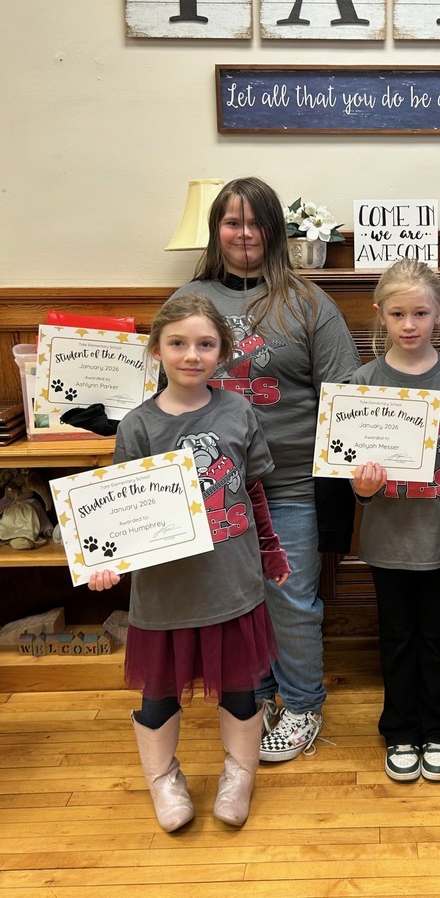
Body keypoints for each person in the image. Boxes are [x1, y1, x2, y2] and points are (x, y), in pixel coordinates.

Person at [168, 177, 360, 763]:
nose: (244, 234)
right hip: (216, 489)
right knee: (239, 599)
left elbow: (345, 392)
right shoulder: (190, 301)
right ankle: (269, 692)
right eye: (232, 222)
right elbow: (166, 391)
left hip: (292, 485)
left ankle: (303, 704)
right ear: (216, 230)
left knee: (290, 597)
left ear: (276, 231)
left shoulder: (308, 302)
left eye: (256, 223)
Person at [88, 293, 290, 830]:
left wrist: (271, 552)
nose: (191, 355)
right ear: (157, 350)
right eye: (178, 343)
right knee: (158, 695)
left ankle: (239, 773)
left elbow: (253, 490)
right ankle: (162, 779)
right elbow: (117, 511)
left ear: (222, 352)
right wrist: (108, 564)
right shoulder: (137, 426)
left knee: (242, 687)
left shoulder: (238, 410)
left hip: (231, 580)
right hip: (165, 590)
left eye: (205, 344)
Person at [351, 259, 440, 783]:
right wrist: (361, 489)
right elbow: (351, 468)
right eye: (397, 314)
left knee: (435, 636)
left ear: (438, 313)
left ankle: (439, 729)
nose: (409, 324)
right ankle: (400, 729)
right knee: (396, 636)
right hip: (387, 536)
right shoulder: (362, 382)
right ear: (380, 316)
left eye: (419, 313)